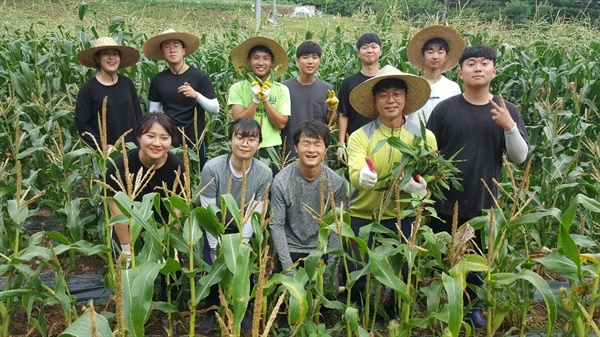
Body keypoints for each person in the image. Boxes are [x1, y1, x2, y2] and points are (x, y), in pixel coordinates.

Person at [426, 45, 530, 328]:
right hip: (443, 203)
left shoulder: (506, 111)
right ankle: (440, 308)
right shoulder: (444, 109)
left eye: (485, 63)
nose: (478, 68)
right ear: (460, 72)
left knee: (474, 265)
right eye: (471, 63)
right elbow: (429, 153)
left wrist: (509, 126)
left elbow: (520, 158)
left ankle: (472, 307)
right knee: (441, 260)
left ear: (494, 71)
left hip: (483, 204)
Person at [346, 65, 435, 309]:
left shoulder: (424, 137)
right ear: (375, 102)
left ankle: (396, 311)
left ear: (406, 98)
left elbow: (434, 175)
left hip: (403, 216)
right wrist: (361, 176)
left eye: (397, 93)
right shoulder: (360, 136)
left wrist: (422, 188)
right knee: (357, 272)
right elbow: (354, 169)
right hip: (363, 216)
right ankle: (358, 314)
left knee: (403, 272)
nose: (390, 100)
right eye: (383, 95)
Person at [196, 118, 273, 333]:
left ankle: (243, 308)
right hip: (215, 227)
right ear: (230, 140)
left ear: (258, 144)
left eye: (251, 139)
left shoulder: (264, 173)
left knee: (245, 267)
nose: (245, 144)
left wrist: (241, 245)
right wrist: (215, 247)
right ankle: (211, 308)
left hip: (244, 229)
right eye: (240, 138)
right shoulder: (212, 168)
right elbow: (208, 210)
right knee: (212, 268)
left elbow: (256, 213)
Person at [270, 120, 346, 328]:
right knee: (289, 316)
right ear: (296, 148)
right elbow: (276, 225)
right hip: (292, 249)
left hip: (320, 251)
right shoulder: (282, 181)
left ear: (326, 150)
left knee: (324, 313)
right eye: (306, 143)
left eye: (317, 144)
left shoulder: (336, 183)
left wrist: (332, 267)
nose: (311, 149)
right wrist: (288, 270)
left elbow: (337, 227)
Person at [106, 112, 184, 264]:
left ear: (171, 141)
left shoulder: (177, 167)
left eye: (164, 138)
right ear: (139, 137)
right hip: (130, 223)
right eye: (150, 136)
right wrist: (127, 249)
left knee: (172, 274)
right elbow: (116, 209)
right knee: (128, 275)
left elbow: (177, 209)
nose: (157, 143)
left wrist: (170, 244)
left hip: (163, 225)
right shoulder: (120, 166)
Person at [142, 29, 219, 168]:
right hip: (169, 141)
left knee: (197, 176)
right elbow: (154, 112)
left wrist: (197, 95)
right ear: (162, 53)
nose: (172, 50)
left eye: (176, 45)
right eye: (166, 46)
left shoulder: (199, 77)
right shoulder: (158, 80)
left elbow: (215, 109)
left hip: (195, 140)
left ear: (184, 51)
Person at [228, 36, 291, 171]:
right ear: (249, 61)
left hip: (271, 150)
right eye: (256, 58)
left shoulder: (281, 89)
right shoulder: (237, 88)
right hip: (244, 146)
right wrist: (255, 100)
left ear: (272, 63)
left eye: (265, 58)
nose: (260, 62)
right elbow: (238, 122)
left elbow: (281, 124)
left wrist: (265, 100)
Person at [75, 37, 142, 148]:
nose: (111, 58)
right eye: (106, 54)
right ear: (97, 59)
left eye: (115, 54)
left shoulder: (127, 84)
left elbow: (138, 115)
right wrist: (103, 147)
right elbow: (82, 125)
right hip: (106, 154)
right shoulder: (88, 89)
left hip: (132, 149)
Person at [281, 41, 338, 160]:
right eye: (305, 57)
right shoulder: (284, 88)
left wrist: (332, 109)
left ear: (320, 61)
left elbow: (331, 122)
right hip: (289, 154)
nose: (310, 61)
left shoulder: (326, 89)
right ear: (297, 61)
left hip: (317, 154)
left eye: (314, 57)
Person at [405, 25, 463, 133]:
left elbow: (456, 119)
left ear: (446, 56)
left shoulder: (452, 88)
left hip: (442, 144)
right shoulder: (412, 85)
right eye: (430, 52)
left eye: (440, 52)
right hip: (413, 143)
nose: (435, 56)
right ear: (423, 55)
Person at [336, 32, 382, 164]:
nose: (369, 50)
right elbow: (343, 114)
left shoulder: (387, 79)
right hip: (356, 142)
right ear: (358, 53)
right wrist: (341, 143)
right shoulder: (348, 82)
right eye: (365, 47)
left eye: (374, 47)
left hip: (384, 140)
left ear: (380, 52)